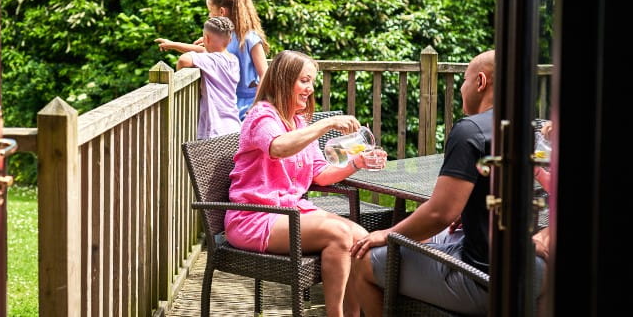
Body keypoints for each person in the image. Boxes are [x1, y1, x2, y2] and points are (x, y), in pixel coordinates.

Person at [350, 50, 547, 316]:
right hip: (531, 269)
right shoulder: (526, 127)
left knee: (362, 259)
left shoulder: (470, 130)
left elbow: (440, 213)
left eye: (464, 81)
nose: (461, 89)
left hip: (483, 280)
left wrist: (386, 233)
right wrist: (471, 212)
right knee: (429, 236)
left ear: (480, 82)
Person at [225, 49, 377, 317]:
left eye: (312, 82)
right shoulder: (262, 116)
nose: (310, 89)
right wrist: (327, 123)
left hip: (290, 212)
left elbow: (320, 174)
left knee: (361, 239)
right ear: (283, 80)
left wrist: (357, 163)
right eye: (304, 81)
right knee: (339, 235)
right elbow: (278, 148)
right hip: (255, 217)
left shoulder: (297, 122)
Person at [155, 0, 269, 120]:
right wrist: (173, 45)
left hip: (249, 104)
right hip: (230, 102)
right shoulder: (227, 36)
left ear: (221, 12)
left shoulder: (250, 38)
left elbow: (265, 73)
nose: (209, 15)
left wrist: (255, 106)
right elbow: (205, 51)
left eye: (210, 11)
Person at [163, 16, 241, 139]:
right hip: (233, 126)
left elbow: (184, 60)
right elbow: (203, 51)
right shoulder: (233, 60)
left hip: (215, 130)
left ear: (206, 38)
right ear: (230, 39)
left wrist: (181, 78)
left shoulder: (212, 61)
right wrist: (172, 44)